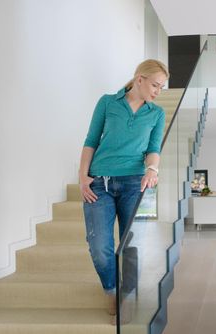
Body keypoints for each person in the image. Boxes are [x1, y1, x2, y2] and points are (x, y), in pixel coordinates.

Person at [79, 59, 169, 316]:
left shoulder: (156, 113)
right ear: (139, 78)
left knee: (132, 243)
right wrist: (82, 176)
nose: (157, 91)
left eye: (162, 87)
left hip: (134, 183)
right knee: (99, 246)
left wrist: (152, 169)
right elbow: (91, 140)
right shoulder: (108, 102)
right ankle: (111, 289)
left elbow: (153, 149)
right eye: (155, 85)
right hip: (99, 183)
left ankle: (127, 296)